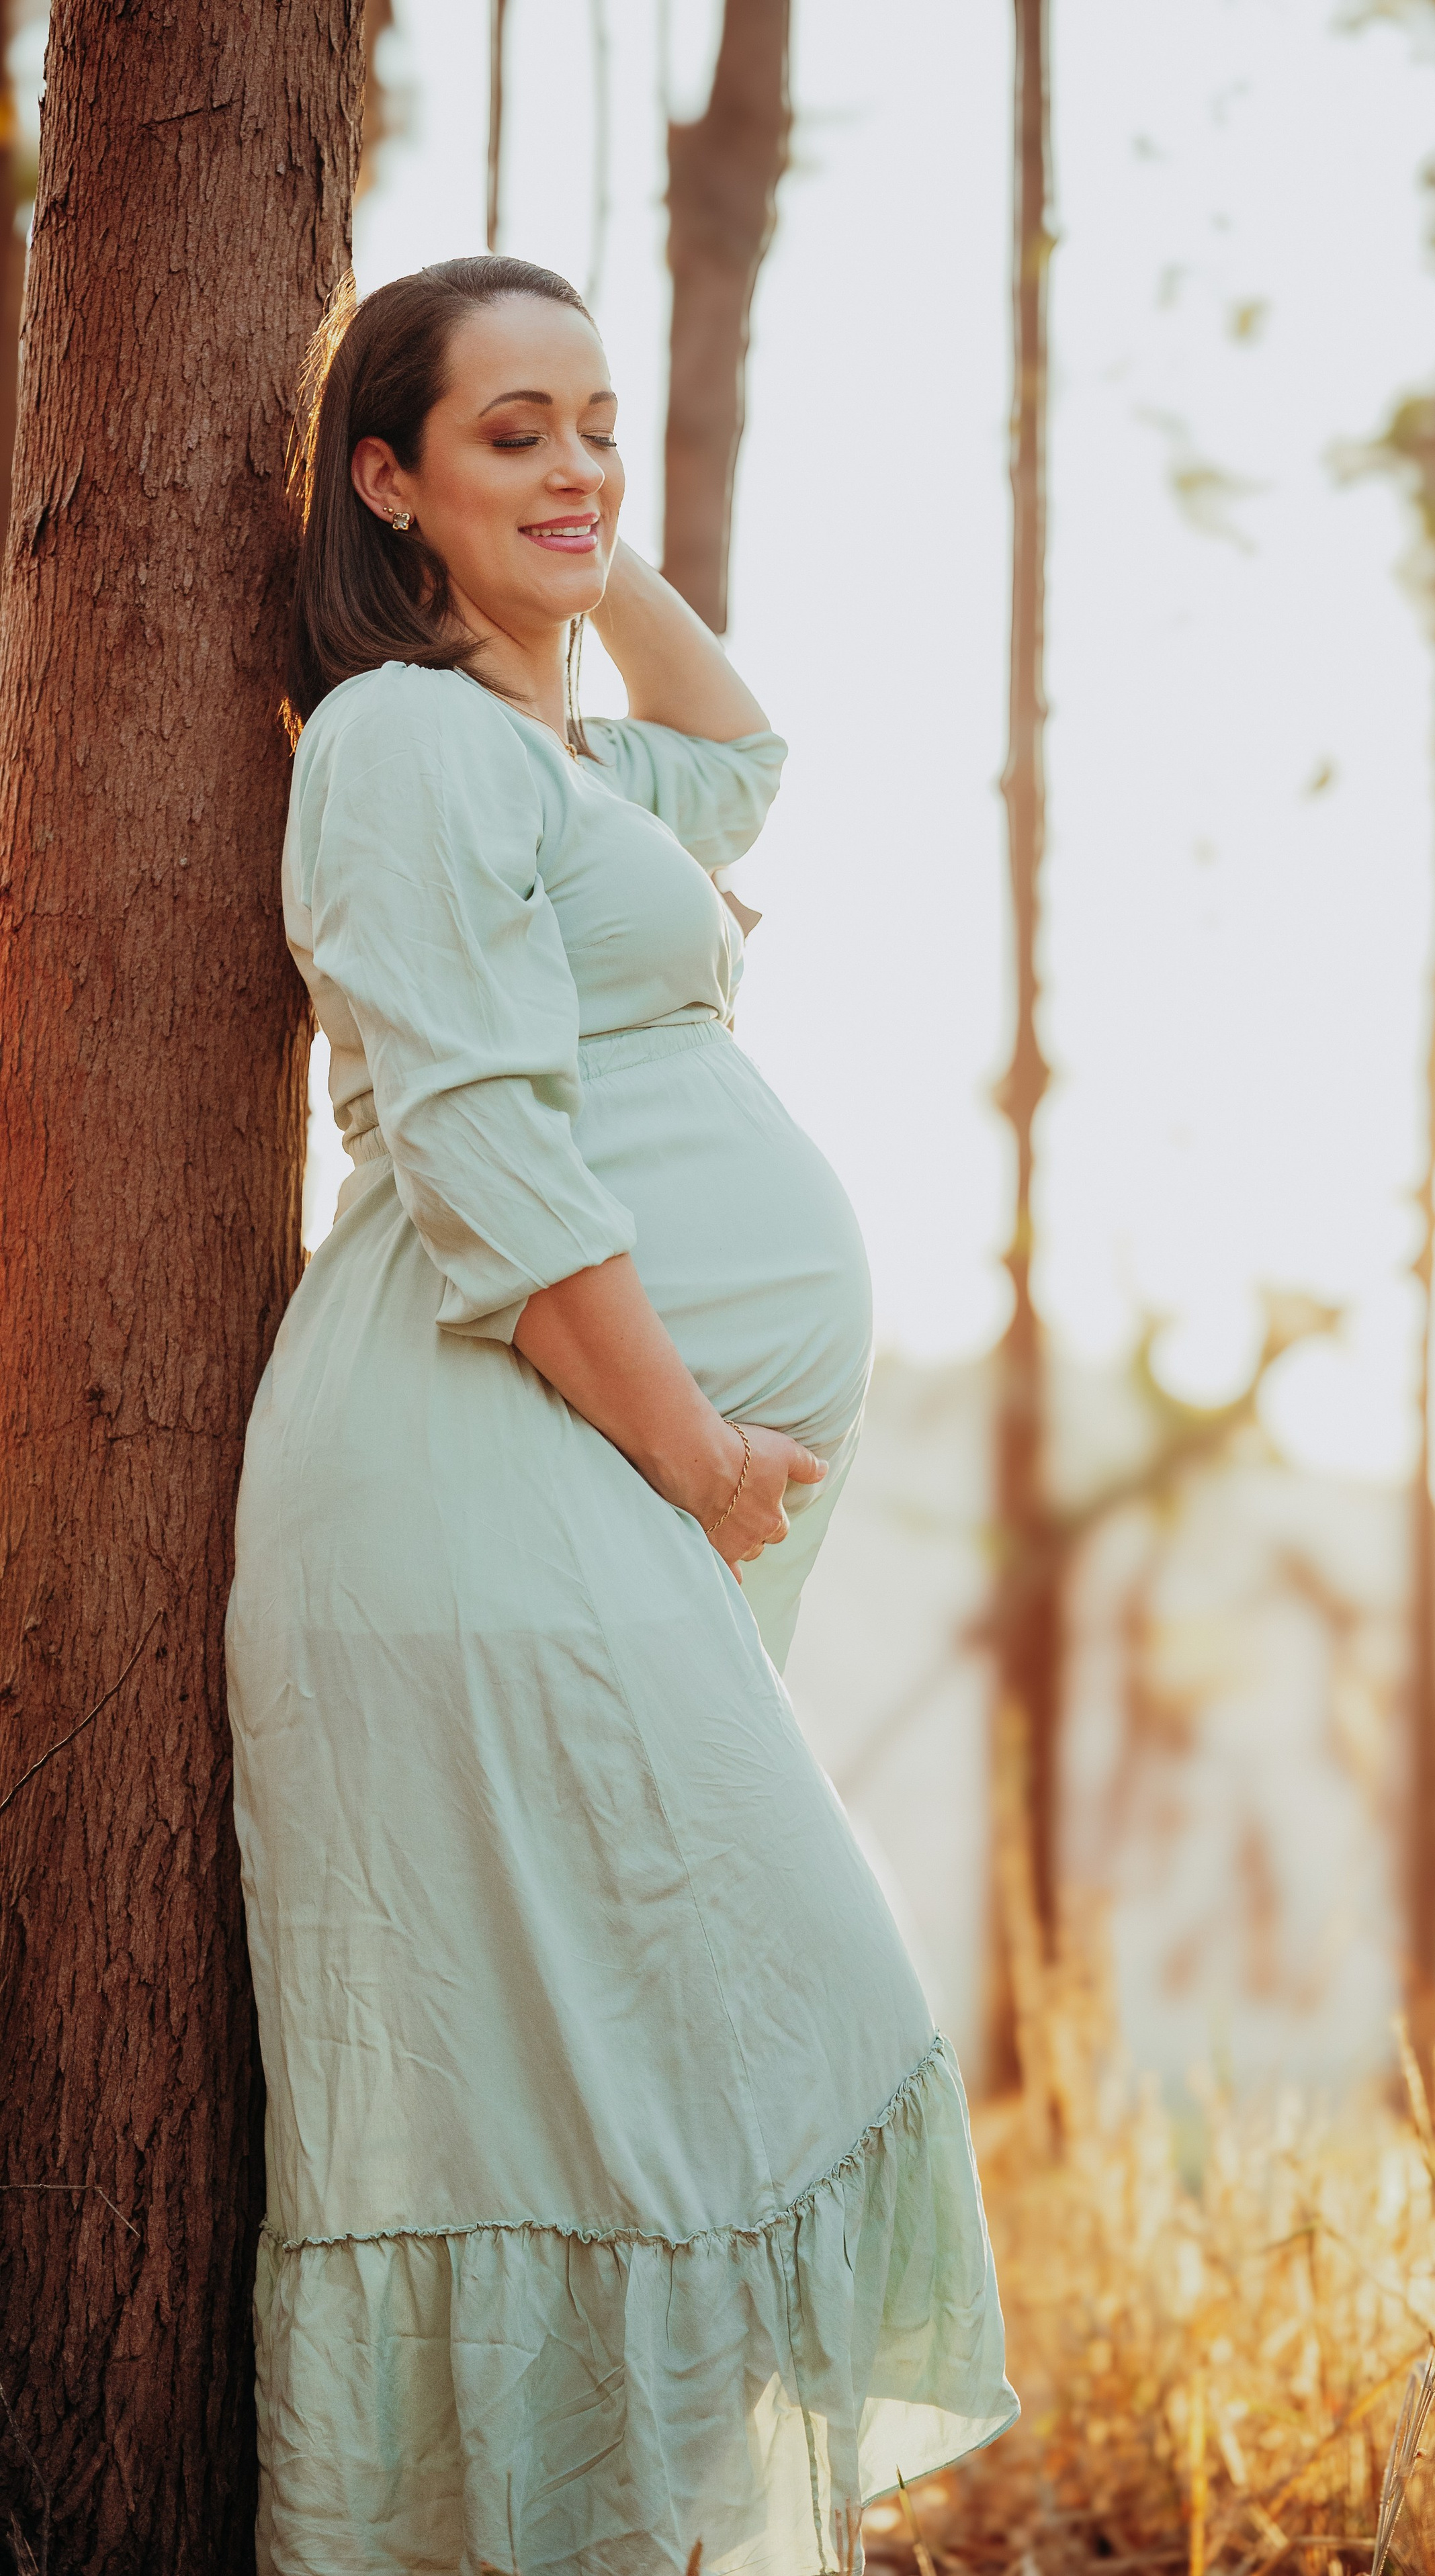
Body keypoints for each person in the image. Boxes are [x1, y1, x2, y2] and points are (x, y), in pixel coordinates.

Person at [224, 254, 1016, 2576]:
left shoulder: (550, 740)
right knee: (710, 2039)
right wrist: (691, 1444)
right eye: (509, 432)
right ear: (384, 479)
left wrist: (566, 538)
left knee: (646, 2078)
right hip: (480, 1472)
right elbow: (480, 1137)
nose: (577, 462)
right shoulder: (398, 741)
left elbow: (749, 751)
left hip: (597, 1484)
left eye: (601, 421)